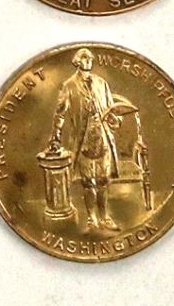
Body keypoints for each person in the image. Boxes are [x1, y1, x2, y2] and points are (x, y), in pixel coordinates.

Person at [47, 49, 121, 231]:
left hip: (103, 138)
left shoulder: (101, 83)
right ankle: (92, 218)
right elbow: (60, 113)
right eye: (84, 58)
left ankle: (105, 217)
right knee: (88, 183)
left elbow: (112, 110)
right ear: (77, 61)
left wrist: (115, 120)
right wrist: (56, 136)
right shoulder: (69, 86)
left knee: (103, 181)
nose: (89, 61)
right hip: (83, 141)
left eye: (90, 58)